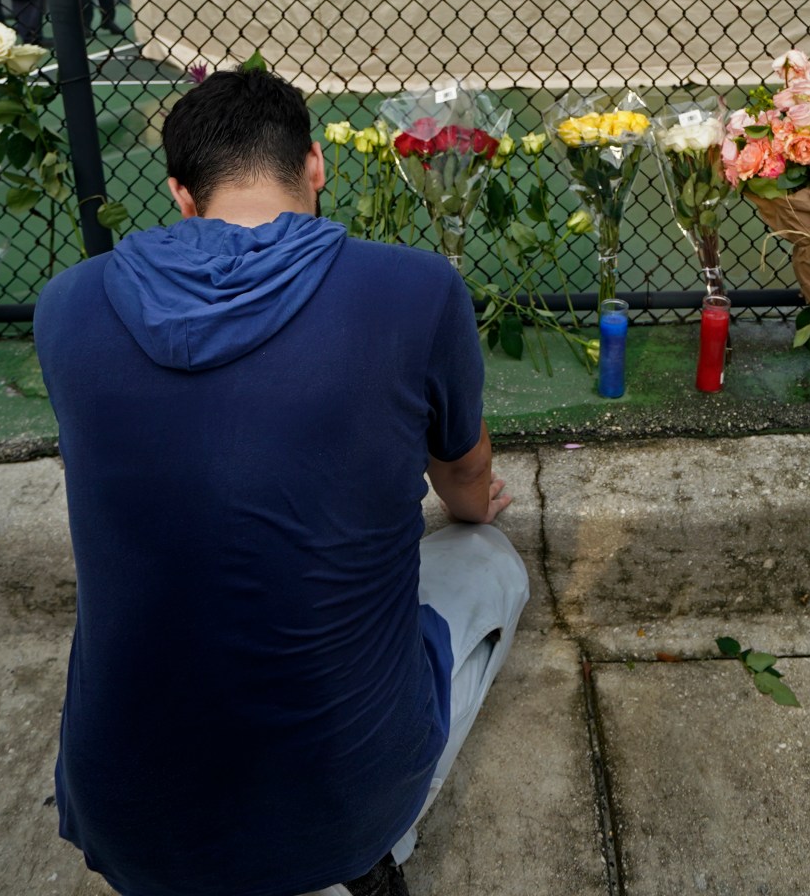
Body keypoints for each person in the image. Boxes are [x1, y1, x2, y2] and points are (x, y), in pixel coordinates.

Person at [37, 68, 529, 896]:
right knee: (488, 559)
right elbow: (466, 474)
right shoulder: (415, 289)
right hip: (339, 814)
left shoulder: (67, 305)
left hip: (123, 820)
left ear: (181, 197)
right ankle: (363, 855)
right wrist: (473, 507)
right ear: (315, 167)